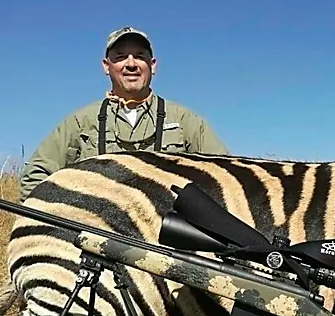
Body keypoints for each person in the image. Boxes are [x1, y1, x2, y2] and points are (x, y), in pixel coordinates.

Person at [18, 26, 229, 201]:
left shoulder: (184, 121)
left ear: (152, 66)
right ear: (106, 66)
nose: (130, 64)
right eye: (120, 57)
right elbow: (34, 177)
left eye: (139, 56)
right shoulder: (80, 121)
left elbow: (226, 177)